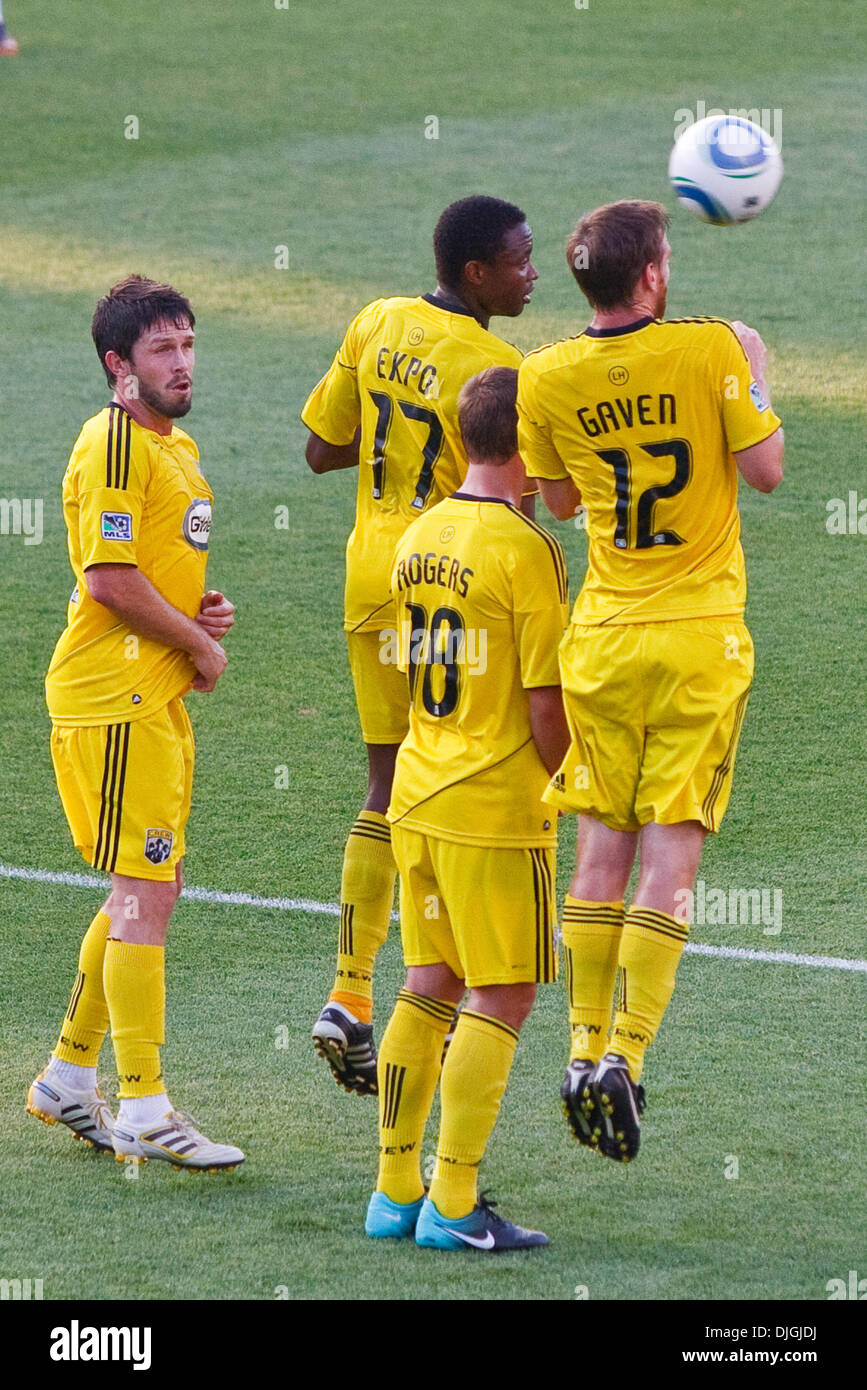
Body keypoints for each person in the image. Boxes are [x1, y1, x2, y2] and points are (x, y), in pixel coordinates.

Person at [516, 199, 783, 1162]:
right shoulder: (713, 347)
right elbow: (766, 472)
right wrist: (749, 370)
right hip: (696, 644)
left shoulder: (541, 374)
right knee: (669, 857)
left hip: (601, 640)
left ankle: (581, 1046)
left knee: (599, 852)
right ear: (654, 274)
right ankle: (625, 1059)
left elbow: (555, 499)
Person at [301, 196, 538, 1096]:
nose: (530, 272)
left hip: (369, 579)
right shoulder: (498, 367)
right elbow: (511, 497)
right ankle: (442, 984)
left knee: (383, 782)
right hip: (445, 584)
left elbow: (321, 450)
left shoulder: (376, 322)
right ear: (475, 272)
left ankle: (349, 992)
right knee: (452, 790)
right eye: (518, 260)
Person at [27, 275, 244, 1172]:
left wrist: (200, 614)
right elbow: (108, 578)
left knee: (143, 888)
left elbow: (144, 566)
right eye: (163, 348)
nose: (182, 361)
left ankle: (69, 1079)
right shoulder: (114, 441)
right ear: (119, 365)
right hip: (110, 703)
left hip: (145, 702)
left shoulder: (171, 446)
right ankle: (144, 1105)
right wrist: (198, 642)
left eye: (188, 343)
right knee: (144, 896)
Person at [363, 366, 570, 1250]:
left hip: (418, 788)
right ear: (526, 444)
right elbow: (544, 706)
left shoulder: (418, 534)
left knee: (427, 984)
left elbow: (412, 663)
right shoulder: (528, 550)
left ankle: (393, 1192)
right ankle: (453, 1205)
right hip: (493, 805)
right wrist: (584, 788)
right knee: (504, 992)